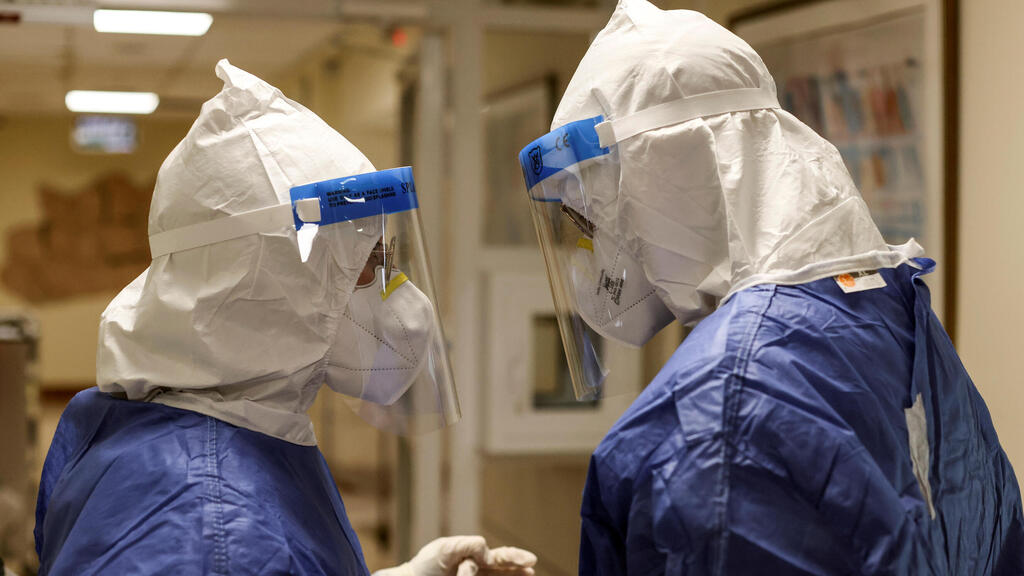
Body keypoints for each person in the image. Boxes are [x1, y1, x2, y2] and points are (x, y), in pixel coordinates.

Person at [518, 1, 1024, 573]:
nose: (597, 241)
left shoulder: (724, 405)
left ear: (668, 170)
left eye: (596, 209)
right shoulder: (890, 306)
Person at [35, 59, 536, 576]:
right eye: (368, 266)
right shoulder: (215, 532)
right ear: (273, 284)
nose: (401, 300)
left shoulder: (166, 423)